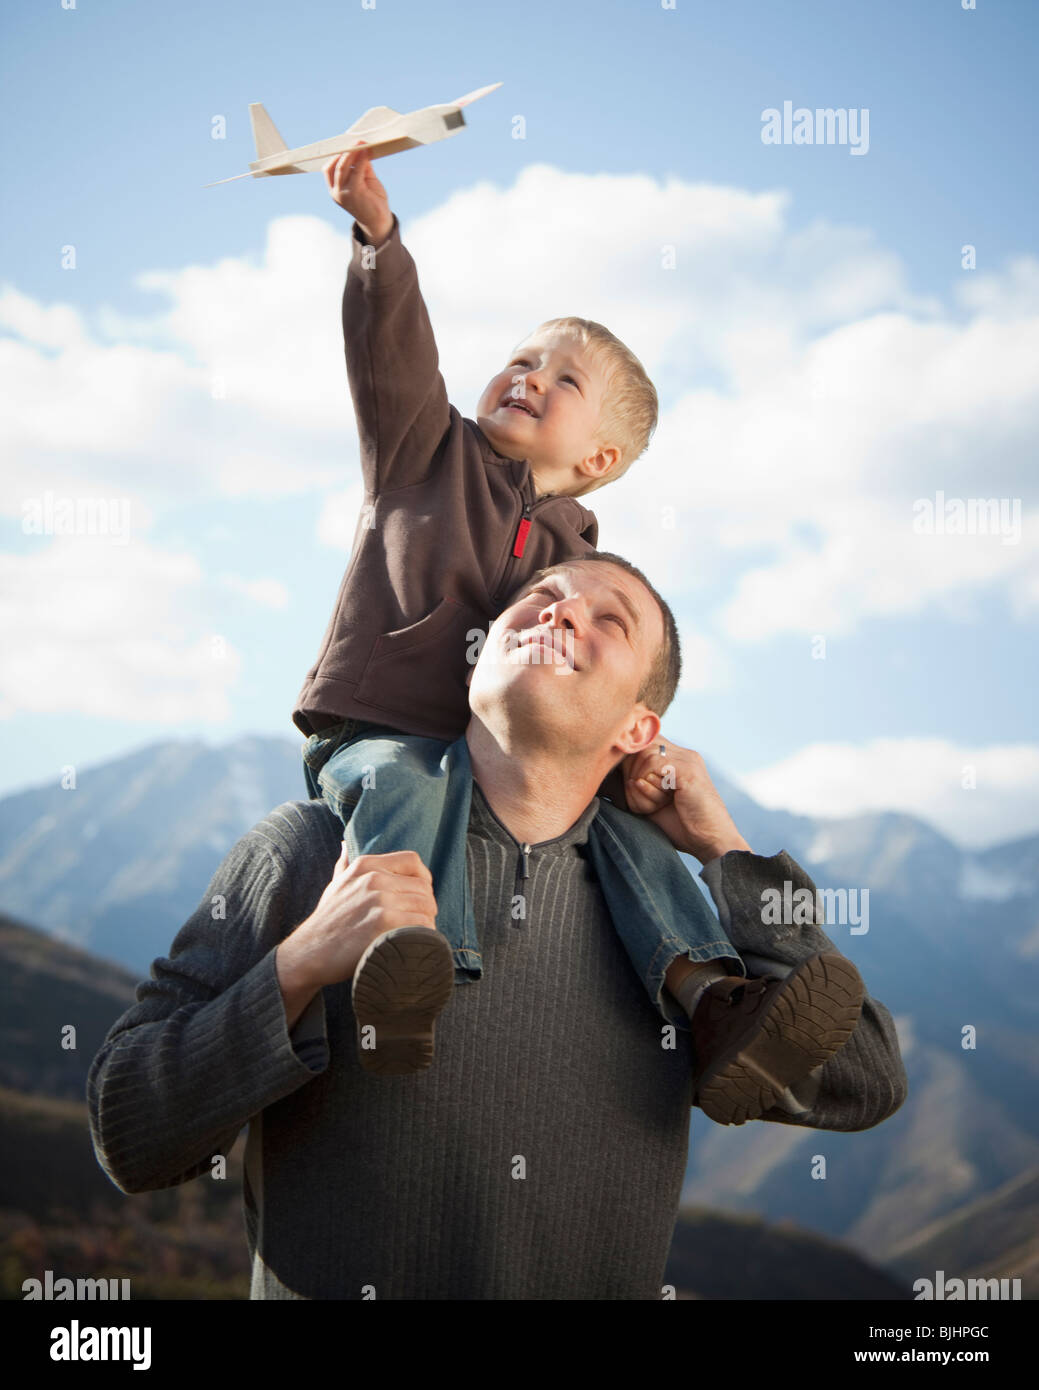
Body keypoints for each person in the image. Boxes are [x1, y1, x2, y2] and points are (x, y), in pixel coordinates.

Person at [87, 553, 908, 1300]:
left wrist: (727, 854)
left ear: (638, 730)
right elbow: (128, 1133)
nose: (560, 613)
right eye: (542, 596)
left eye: (608, 618)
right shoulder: (310, 854)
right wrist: (297, 964)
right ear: (481, 652)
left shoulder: (678, 934)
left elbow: (865, 1077)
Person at [292, 146, 786, 1079]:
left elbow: (604, 675)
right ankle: (400, 960)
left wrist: (635, 763)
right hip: (385, 725)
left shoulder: (582, 561)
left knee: (623, 835)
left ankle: (711, 997)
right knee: (400, 782)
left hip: (497, 758)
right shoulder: (422, 450)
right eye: (521, 359)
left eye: (562, 381)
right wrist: (378, 242)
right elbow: (392, 355)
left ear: (598, 459)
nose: (527, 377)